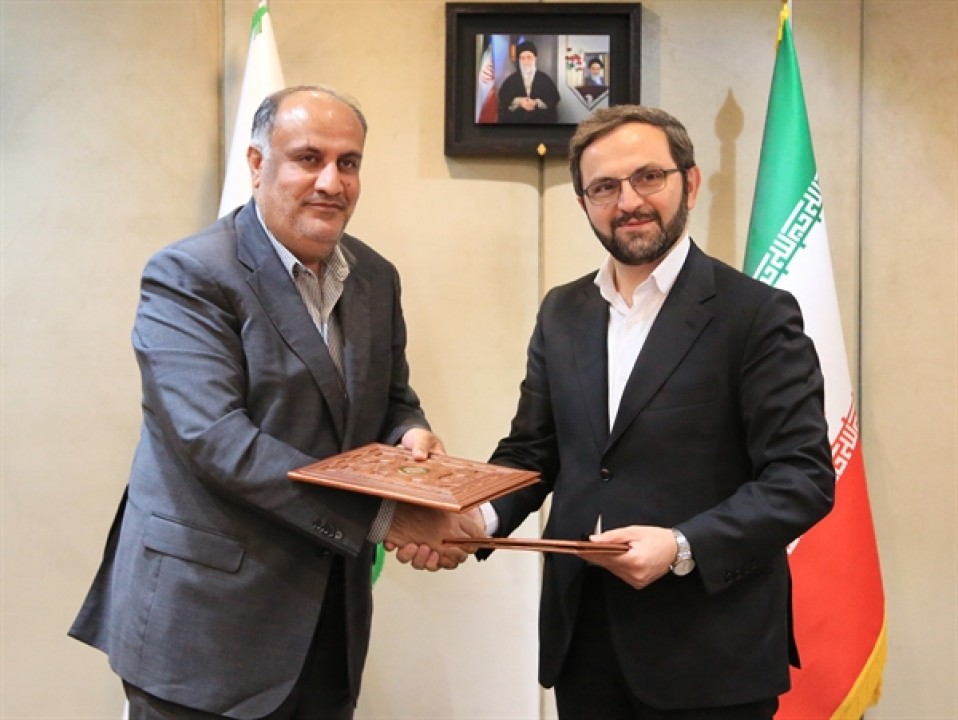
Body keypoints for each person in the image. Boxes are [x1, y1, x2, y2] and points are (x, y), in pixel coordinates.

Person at [69, 85, 482, 720]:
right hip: (203, 630)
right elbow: (216, 440)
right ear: (258, 164)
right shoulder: (189, 274)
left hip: (328, 628)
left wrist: (410, 436)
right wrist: (385, 518)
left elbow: (392, 397)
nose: (331, 182)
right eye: (308, 158)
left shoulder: (375, 277)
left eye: (348, 163)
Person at [478, 105, 836, 718]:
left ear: (689, 183)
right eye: (604, 187)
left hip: (711, 655)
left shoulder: (755, 314)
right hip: (583, 646)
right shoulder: (562, 312)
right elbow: (533, 452)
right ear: (584, 202)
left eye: (648, 177)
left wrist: (680, 544)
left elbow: (802, 478)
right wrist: (477, 517)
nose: (629, 202)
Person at [497, 40, 561, 124]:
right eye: (522, 58)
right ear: (519, 60)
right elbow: (504, 98)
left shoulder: (545, 79)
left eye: (529, 57)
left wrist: (536, 103)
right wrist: (520, 102)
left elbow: (553, 99)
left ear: (535, 58)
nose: (526, 62)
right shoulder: (511, 80)